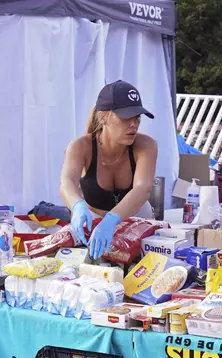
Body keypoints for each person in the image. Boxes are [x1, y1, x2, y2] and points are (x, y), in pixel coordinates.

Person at [59, 80, 158, 260]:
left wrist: (112, 220)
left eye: (137, 118)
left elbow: (143, 188)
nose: (134, 124)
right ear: (104, 116)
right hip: (94, 224)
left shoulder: (146, 145)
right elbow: (67, 183)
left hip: (137, 222)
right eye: (126, 117)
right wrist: (77, 205)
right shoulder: (80, 147)